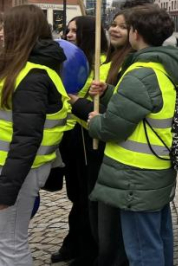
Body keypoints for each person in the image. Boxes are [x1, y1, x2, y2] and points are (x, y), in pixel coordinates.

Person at [87, 4, 178, 265]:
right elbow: (146, 104)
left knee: (142, 249)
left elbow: (113, 127)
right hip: (157, 169)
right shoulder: (162, 66)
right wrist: (109, 91)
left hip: (135, 176)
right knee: (159, 237)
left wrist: (95, 122)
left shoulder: (140, 72)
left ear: (136, 33)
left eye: (128, 27)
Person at [0, 5, 73, 265]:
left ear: (20, 33)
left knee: (10, 246)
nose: (0, 33)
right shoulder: (26, 69)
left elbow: (27, 138)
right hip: (16, 167)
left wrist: (6, 191)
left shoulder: (32, 76)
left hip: (18, 170)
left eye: (4, 28)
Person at [71, 10, 135, 266]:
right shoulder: (107, 62)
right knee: (94, 209)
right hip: (93, 145)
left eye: (122, 26)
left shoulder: (130, 65)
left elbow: (115, 114)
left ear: (135, 32)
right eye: (113, 25)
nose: (115, 29)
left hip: (112, 149)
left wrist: (79, 104)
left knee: (109, 223)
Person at [53, 16, 107, 265]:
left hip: (89, 139)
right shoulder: (68, 61)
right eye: (67, 30)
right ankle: (74, 242)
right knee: (76, 195)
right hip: (69, 136)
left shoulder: (101, 64)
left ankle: (87, 249)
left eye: (75, 31)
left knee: (86, 197)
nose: (69, 34)